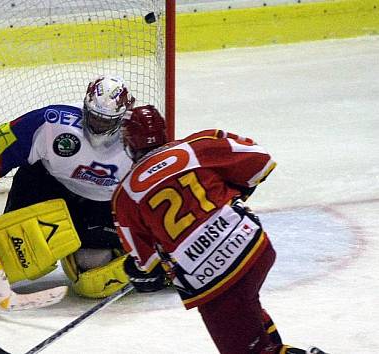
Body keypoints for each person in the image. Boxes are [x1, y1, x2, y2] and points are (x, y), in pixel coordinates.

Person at [112, 105, 327, 354]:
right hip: (254, 246)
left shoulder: (124, 197)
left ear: (129, 144)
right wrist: (228, 196)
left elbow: (147, 265)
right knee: (249, 316)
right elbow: (261, 161)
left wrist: (139, 272)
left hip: (212, 279)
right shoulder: (197, 145)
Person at [0, 75, 136, 298]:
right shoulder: (54, 121)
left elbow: (155, 192)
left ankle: (128, 257)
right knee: (15, 246)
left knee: (93, 278)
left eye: (107, 120)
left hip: (102, 205)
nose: (98, 125)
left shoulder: (138, 139)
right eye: (94, 117)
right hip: (49, 186)